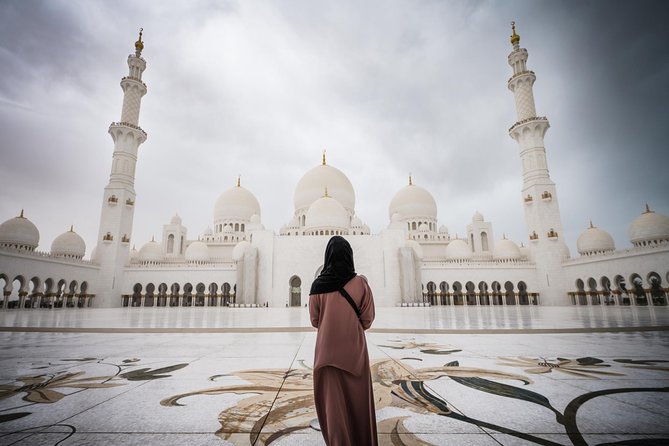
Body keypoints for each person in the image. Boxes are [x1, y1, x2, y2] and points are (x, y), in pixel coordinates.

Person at [309, 236, 378, 446]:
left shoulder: (317, 286)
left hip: (326, 353)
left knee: (333, 408)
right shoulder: (360, 284)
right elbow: (367, 319)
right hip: (354, 353)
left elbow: (314, 320)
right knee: (358, 402)